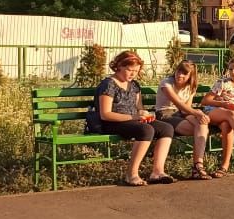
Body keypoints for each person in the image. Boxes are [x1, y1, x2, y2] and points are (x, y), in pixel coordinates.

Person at [84, 50, 176, 186]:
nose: (133, 74)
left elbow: (139, 108)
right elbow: (105, 114)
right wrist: (134, 116)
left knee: (166, 128)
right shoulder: (108, 84)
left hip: (133, 121)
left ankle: (157, 172)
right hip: (111, 122)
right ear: (119, 66)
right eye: (129, 70)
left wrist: (145, 114)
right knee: (146, 130)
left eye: (136, 71)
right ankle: (131, 174)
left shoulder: (134, 85)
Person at [155, 60, 213, 180]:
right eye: (178, 71)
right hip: (165, 115)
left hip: (181, 114)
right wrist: (198, 113)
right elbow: (179, 103)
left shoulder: (191, 87)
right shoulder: (166, 83)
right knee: (202, 128)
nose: (180, 75)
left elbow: (186, 109)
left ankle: (198, 166)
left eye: (184, 73)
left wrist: (198, 116)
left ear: (190, 76)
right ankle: (197, 168)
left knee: (202, 125)